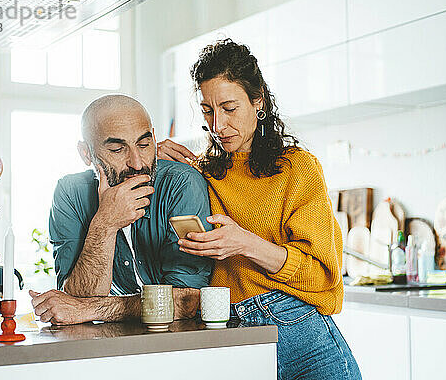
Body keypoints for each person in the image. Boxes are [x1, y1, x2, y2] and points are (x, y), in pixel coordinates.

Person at [158, 39, 362, 380]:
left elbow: (323, 276)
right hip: (234, 335)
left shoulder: (298, 168)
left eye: (229, 107)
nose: (217, 124)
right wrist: (158, 160)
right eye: (207, 109)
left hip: (304, 339)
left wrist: (244, 243)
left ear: (258, 102)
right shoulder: (202, 171)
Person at [29, 95, 213, 325]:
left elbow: (187, 300)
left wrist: (95, 310)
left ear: (155, 139)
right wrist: (105, 223)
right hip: (106, 344)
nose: (137, 163)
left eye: (144, 145)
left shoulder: (181, 184)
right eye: (117, 149)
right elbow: (75, 299)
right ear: (86, 153)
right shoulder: (70, 192)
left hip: (178, 344)